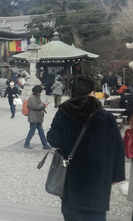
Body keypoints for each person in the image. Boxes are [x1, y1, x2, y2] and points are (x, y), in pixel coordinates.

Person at [47, 76, 125, 221]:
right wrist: (117, 175)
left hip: (72, 176)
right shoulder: (106, 117)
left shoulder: (63, 113)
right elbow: (118, 147)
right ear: (91, 93)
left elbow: (53, 140)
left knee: (72, 214)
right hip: (99, 177)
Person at [23, 85, 51, 150]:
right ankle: (26, 143)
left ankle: (45, 144)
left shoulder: (37, 96)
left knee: (41, 131)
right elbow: (35, 106)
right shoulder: (32, 98)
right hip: (33, 116)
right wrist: (43, 105)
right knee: (32, 131)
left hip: (38, 116)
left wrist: (43, 105)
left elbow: (38, 105)